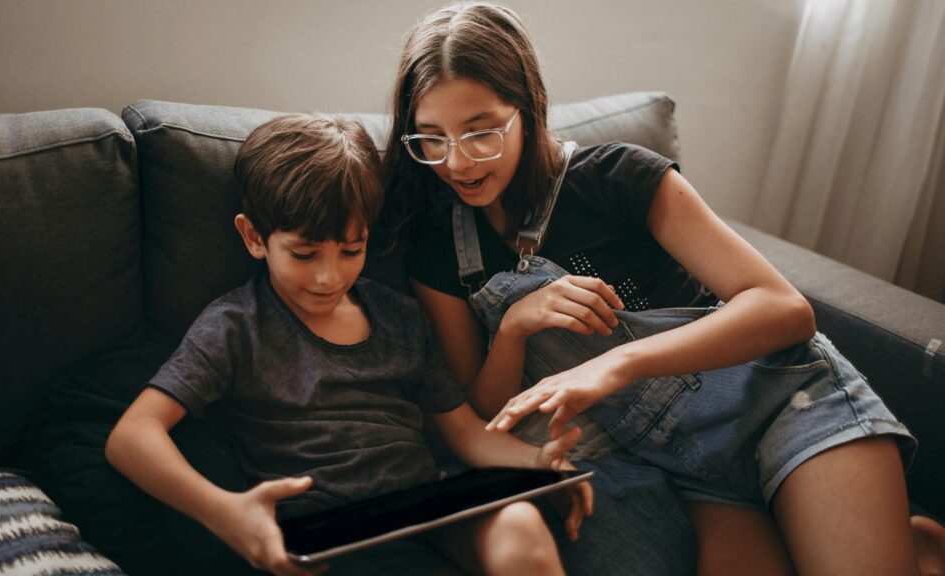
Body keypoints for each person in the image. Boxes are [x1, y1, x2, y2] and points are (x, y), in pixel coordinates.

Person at [383, 3, 945, 574]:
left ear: (527, 108)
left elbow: (784, 309)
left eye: (482, 132)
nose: (456, 162)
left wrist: (616, 364)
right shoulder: (438, 241)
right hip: (676, 466)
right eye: (431, 138)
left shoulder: (618, 178)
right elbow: (483, 412)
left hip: (780, 403)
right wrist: (513, 327)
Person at [104, 112, 593, 576]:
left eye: (351, 250)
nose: (327, 276)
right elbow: (132, 437)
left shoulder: (399, 316)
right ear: (254, 237)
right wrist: (224, 513)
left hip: (430, 509)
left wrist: (537, 463)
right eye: (304, 253)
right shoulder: (235, 326)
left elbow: (462, 431)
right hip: (330, 535)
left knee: (520, 524)